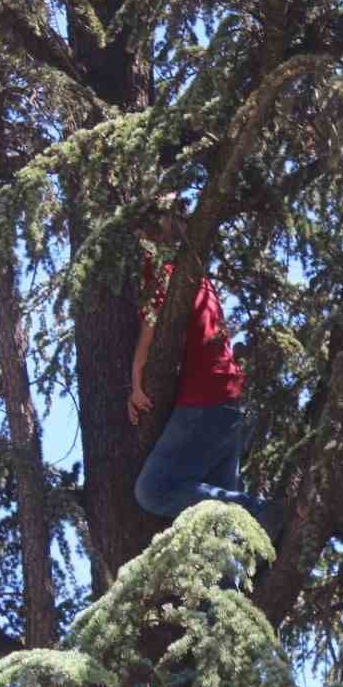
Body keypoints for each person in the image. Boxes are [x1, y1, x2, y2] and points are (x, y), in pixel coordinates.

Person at [127, 215, 282, 546]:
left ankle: (261, 512)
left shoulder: (162, 270)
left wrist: (136, 380)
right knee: (220, 533)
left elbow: (151, 325)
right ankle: (227, 598)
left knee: (153, 490)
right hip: (230, 402)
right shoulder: (197, 276)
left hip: (208, 400)